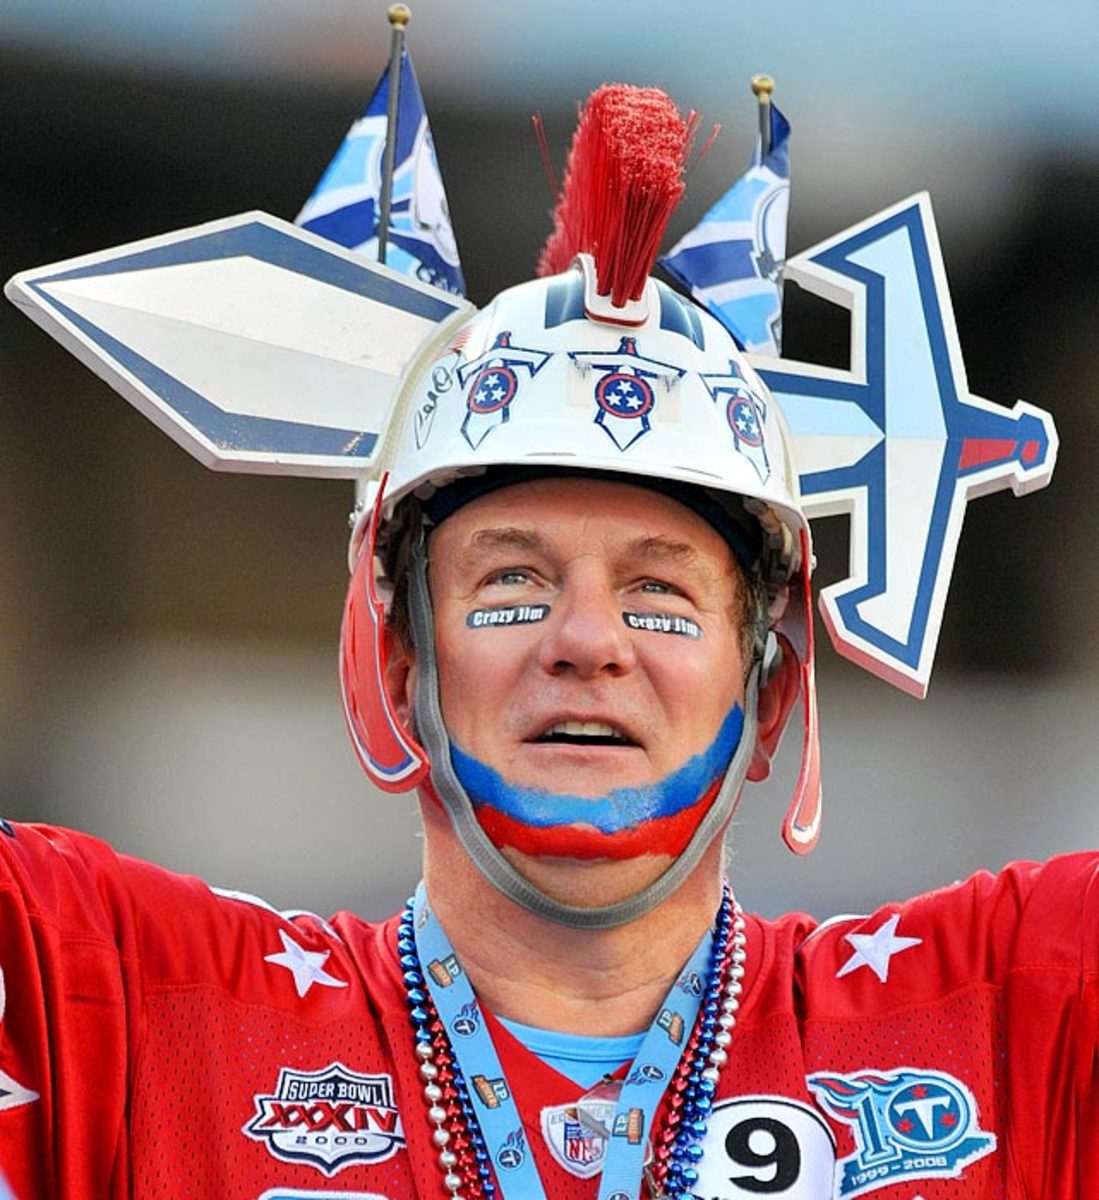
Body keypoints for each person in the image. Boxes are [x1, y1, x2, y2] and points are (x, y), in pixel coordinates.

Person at [0, 83, 1088, 1200]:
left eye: (659, 593)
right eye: (511, 584)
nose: (584, 641)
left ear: (769, 695)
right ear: (397, 665)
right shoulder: (115, 1002)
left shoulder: (1019, 1011)